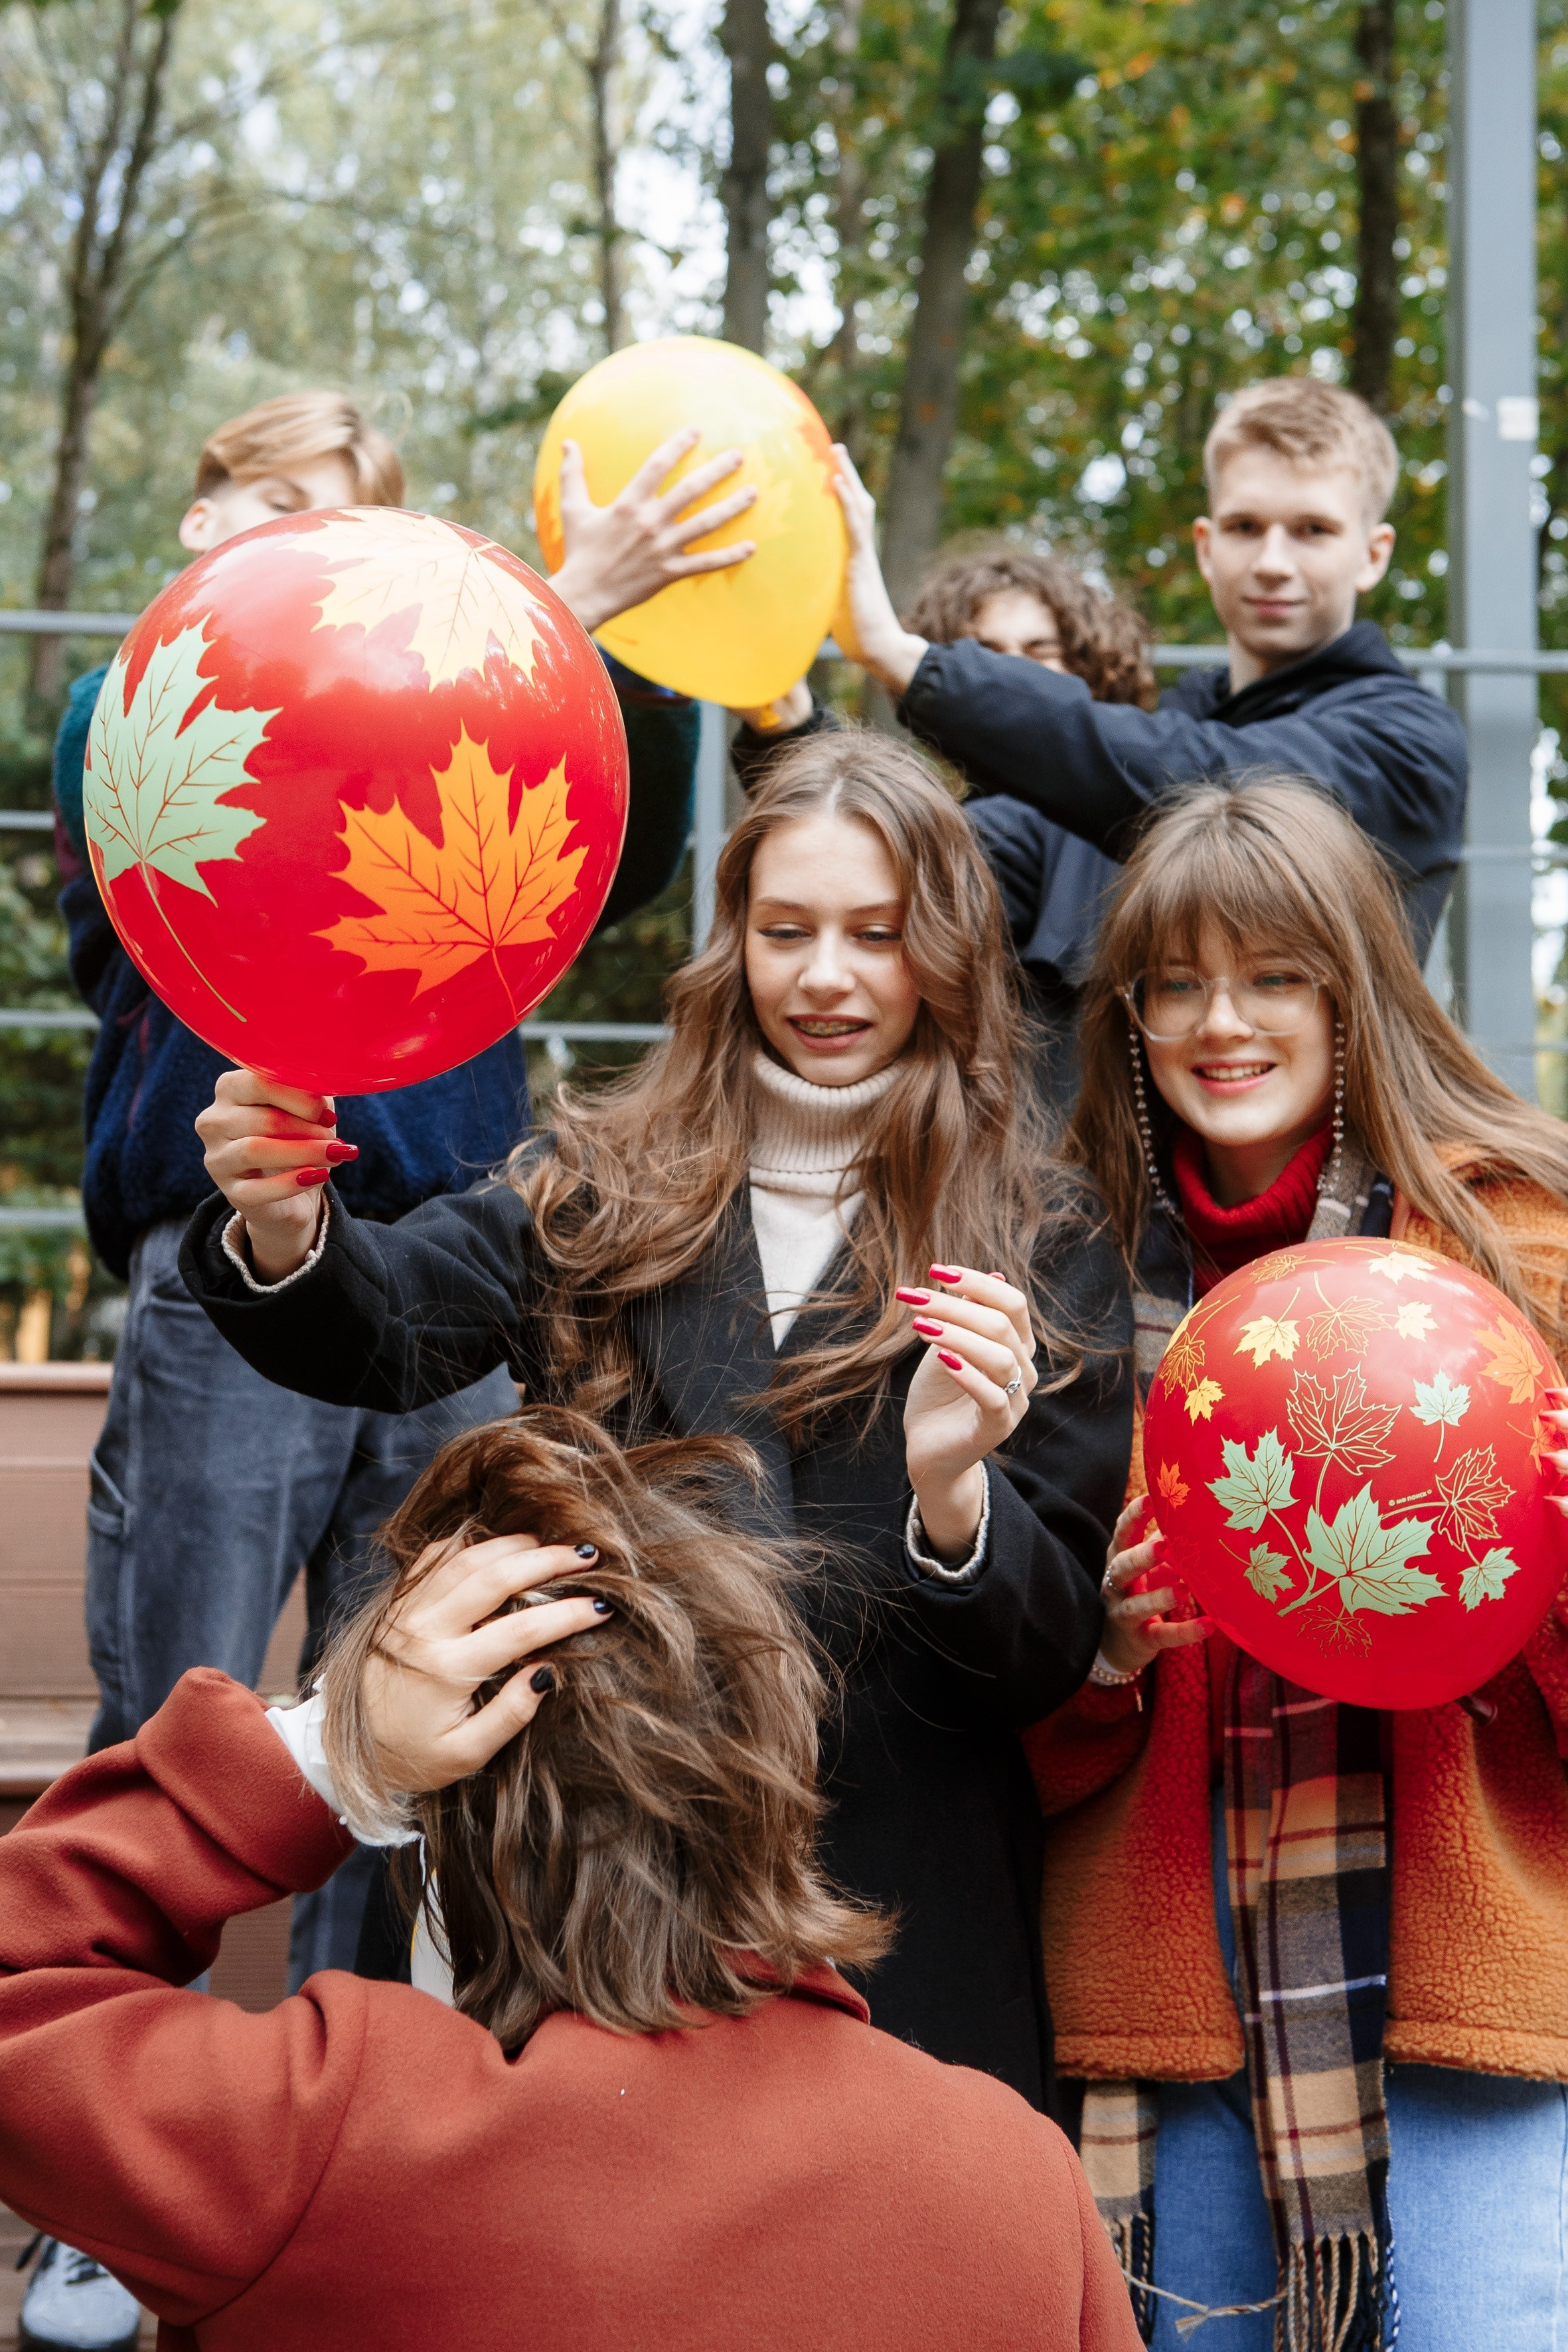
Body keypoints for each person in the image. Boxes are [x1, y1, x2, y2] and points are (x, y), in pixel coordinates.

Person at [25, 386, 761, 2351]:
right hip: (239, 1288)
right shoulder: (142, 704)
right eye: (262, 504)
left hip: (445, 1292)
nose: (294, 544)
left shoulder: (459, 732)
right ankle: (111, 2189)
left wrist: (579, 629)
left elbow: (620, 789)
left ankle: (350, 2144)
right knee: (175, 1696)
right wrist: (559, 589)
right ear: (195, 523)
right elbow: (141, 752)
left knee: (421, 1730)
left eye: (343, 520)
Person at [178, 728, 1135, 2114]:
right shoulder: (609, 1177)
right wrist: (284, 1224)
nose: (824, 976)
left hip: (893, 1907)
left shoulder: (1039, 1233)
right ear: (730, 940)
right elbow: (384, 1319)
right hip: (595, 1874)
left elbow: (1045, 1658)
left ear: (946, 948)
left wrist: (954, 1494)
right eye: (785, 927)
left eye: (874, 934)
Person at [0, 1409, 1143, 2352]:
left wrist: (327, 1756)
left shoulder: (322, 2138)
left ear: (452, 1838)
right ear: (777, 1781)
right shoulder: (1013, 2182)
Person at [1022, 774, 1568, 2349]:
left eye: (1272, 976)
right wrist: (1099, 1652)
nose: (1220, 1022)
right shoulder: (1067, 1268)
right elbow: (992, 1699)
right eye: (1175, 982)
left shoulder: (1510, 1242)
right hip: (1167, 1982)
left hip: (1457, 1960)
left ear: (1355, 994)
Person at [814, 377, 1468, 962]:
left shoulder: (1407, 745)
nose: (1272, 560)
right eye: (1245, 526)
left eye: (1312, 530)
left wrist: (903, 657)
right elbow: (938, 861)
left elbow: (1203, 781)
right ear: (1206, 549)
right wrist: (782, 715)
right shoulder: (1149, 751)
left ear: (1373, 554)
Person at [734, 544, 1156, 1111]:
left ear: (1093, 671)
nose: (1010, 672)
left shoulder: (1140, 830)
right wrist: (789, 727)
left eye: (1040, 650)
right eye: (983, 653)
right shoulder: (946, 827)